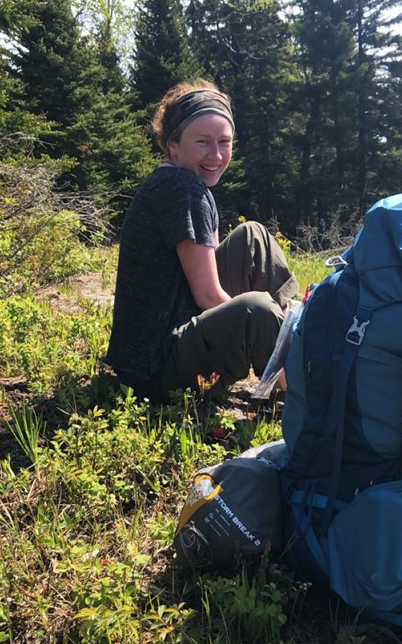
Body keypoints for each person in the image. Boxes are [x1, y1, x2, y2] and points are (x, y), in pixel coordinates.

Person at [105, 80, 298, 402]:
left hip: (168, 332)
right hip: (155, 369)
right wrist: (252, 321)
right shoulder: (182, 189)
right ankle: (294, 388)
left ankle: (282, 338)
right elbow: (209, 296)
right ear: (173, 145)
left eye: (224, 142)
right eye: (203, 142)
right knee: (257, 309)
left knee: (252, 237)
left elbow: (207, 265)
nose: (217, 155)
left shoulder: (182, 182)